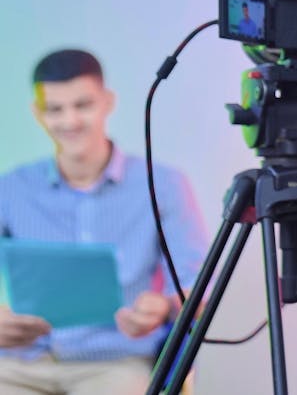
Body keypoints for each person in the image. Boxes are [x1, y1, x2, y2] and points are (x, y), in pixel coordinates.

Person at [0, 49, 208, 394]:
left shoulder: (164, 184)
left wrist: (165, 307)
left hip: (115, 364)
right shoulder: (11, 188)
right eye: (55, 109)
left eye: (82, 105)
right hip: (22, 362)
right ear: (38, 114)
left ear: (107, 102)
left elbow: (200, 287)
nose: (70, 121)